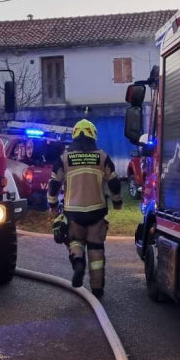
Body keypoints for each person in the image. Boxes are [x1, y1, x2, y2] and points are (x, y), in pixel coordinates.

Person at [48, 119, 122, 297]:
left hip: (73, 212)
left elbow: (53, 184)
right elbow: (114, 183)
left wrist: (52, 205)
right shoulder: (102, 157)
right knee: (96, 248)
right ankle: (97, 288)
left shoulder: (64, 158)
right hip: (97, 211)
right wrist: (117, 202)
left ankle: (78, 262)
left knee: (74, 241)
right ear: (93, 135)